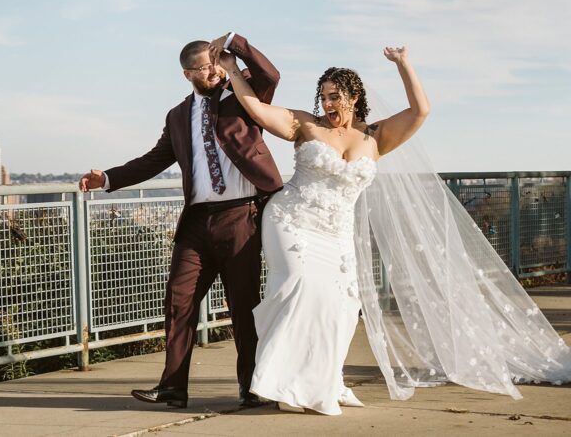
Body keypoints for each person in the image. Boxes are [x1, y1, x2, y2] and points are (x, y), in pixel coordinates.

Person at [218, 43, 571, 414]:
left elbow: (421, 110)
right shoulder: (304, 124)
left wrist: (403, 64)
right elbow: (255, 107)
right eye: (323, 97)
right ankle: (285, 385)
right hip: (292, 221)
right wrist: (231, 68)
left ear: (354, 97)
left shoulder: (377, 137)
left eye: (335, 97)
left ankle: (323, 380)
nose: (327, 105)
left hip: (336, 231)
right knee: (299, 288)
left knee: (340, 306)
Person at [79, 33, 283, 409]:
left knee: (242, 306)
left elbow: (270, 75)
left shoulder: (245, 96)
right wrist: (106, 178)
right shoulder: (177, 116)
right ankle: (173, 387)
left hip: (242, 217)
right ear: (188, 73)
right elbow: (154, 160)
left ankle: (252, 387)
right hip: (196, 224)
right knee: (178, 301)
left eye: (214, 63)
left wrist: (235, 44)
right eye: (204, 67)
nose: (212, 71)